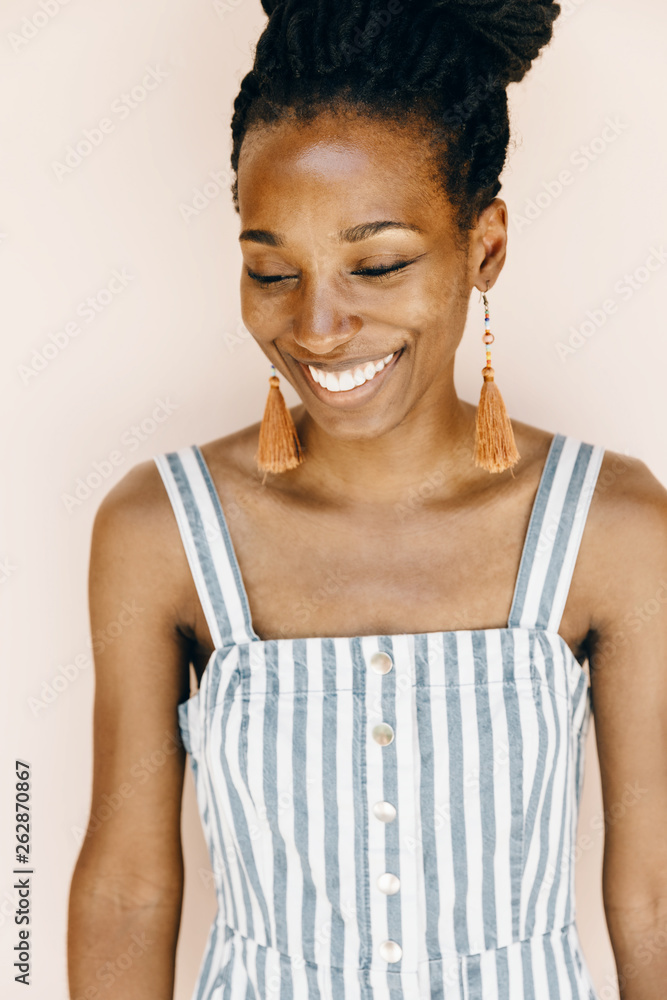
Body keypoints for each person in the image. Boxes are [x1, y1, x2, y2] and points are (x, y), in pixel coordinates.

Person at [67, 1, 667, 998]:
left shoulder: (613, 527)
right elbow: (126, 891)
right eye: (271, 270)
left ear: (484, 248)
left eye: (377, 264)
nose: (317, 325)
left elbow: (653, 895)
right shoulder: (158, 530)